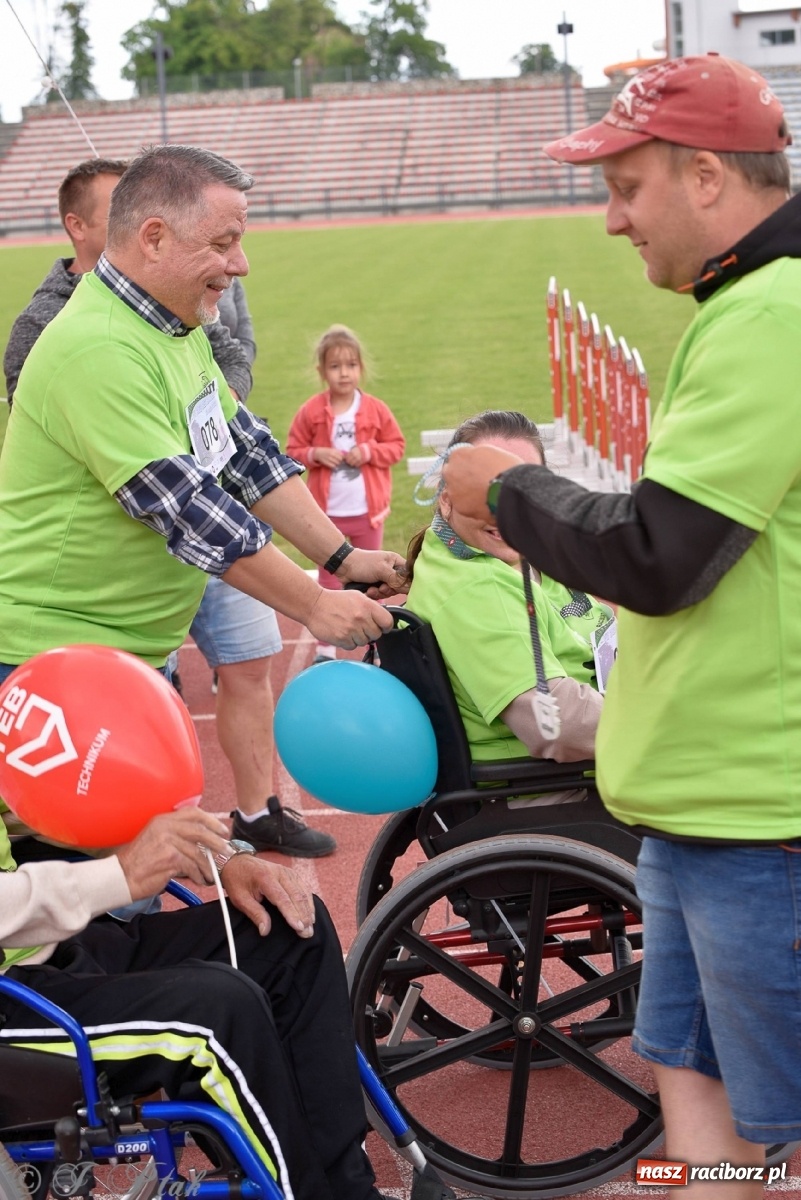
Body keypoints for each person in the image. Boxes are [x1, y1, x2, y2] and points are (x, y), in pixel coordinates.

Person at [442, 54, 801, 1194]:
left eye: (627, 188)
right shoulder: (745, 306)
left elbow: (658, 553)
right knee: (699, 1103)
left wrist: (502, 491)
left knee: (769, 1122)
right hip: (701, 810)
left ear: (706, 177)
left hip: (761, 818)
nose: (610, 220)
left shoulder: (771, 315)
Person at [2, 160, 336, 858]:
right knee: (86, 905)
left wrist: (341, 557)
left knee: (128, 886)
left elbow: (246, 455)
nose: (239, 264)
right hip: (54, 666)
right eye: (222, 243)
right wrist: (315, 604)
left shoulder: (173, 332)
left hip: (117, 662)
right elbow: (185, 506)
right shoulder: (96, 345)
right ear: (153, 238)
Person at [0, 803, 388, 1200]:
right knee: (216, 1010)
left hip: (43, 949)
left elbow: (60, 813)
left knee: (294, 932)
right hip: (9, 999)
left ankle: (349, 1190)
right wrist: (121, 875)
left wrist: (224, 858)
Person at [406, 410, 607, 768]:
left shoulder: (520, 556)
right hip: (559, 789)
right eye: (487, 490)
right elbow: (560, 726)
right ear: (446, 495)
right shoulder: (480, 588)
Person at [287, 325, 405, 663]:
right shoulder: (311, 411)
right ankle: (325, 648)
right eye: (336, 366)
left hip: (368, 512)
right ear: (322, 371)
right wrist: (315, 455)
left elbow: (395, 446)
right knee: (327, 575)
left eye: (351, 365)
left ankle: (379, 643)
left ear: (361, 369)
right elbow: (292, 449)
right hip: (327, 513)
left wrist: (368, 452)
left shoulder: (376, 410)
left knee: (375, 579)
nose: (344, 373)